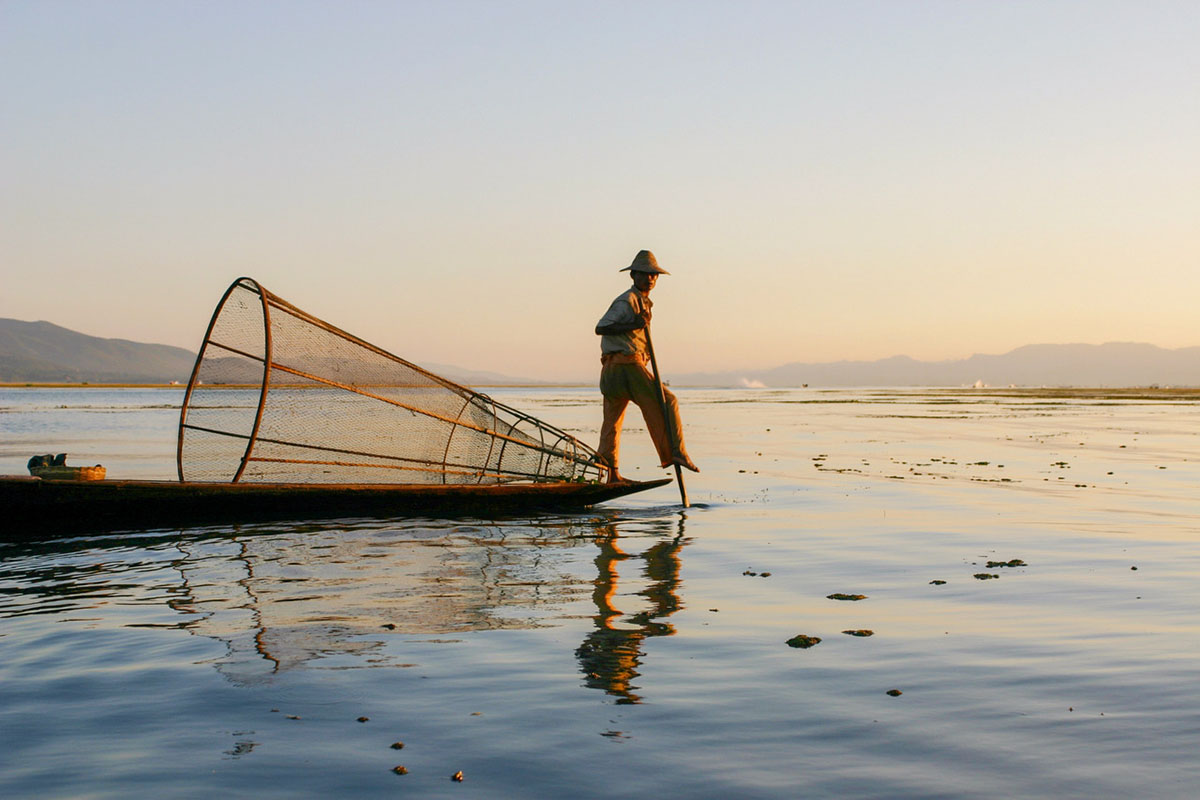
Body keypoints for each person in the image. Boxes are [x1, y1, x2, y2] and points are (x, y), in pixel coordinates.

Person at [594, 250, 698, 483]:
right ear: (633, 276)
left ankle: (612, 475)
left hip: (613, 371)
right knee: (667, 401)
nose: (650, 279)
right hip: (626, 366)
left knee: (612, 423)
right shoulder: (628, 300)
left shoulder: (642, 301)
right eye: (645, 274)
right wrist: (633, 323)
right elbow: (601, 328)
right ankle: (677, 453)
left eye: (654, 275)